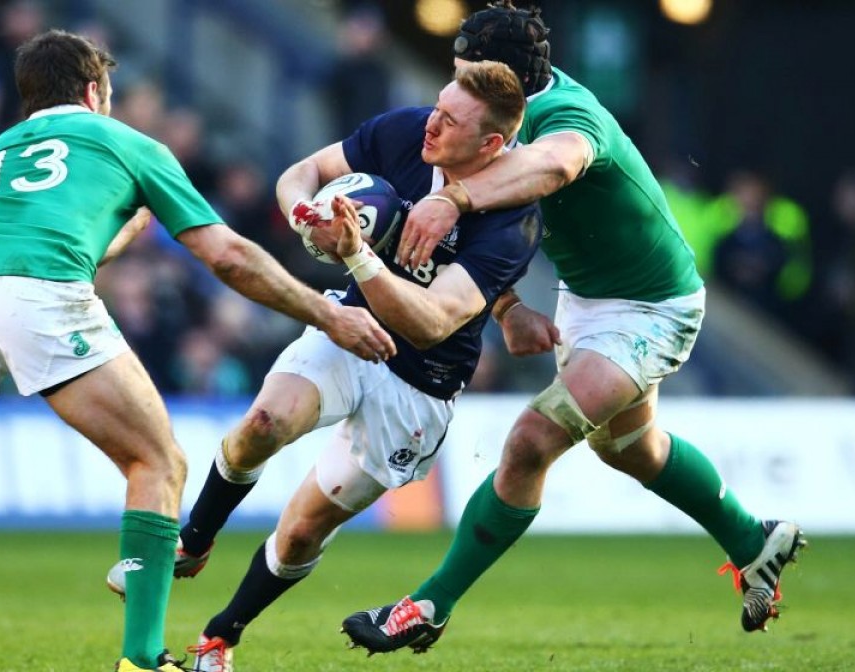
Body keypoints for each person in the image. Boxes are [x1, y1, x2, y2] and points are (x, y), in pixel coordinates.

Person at [0, 30, 395, 672]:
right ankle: (143, 659)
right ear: (92, 90)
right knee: (157, 461)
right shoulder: (128, 143)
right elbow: (227, 257)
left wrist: (122, 234)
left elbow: (50, 240)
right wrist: (326, 314)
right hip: (41, 296)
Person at [342, 1, 806, 655]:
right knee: (632, 449)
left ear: (500, 75)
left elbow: (556, 165)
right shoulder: (484, 120)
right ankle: (754, 541)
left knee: (531, 440)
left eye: (464, 70)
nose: (453, 83)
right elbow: (476, 238)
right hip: (585, 301)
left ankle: (428, 605)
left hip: (652, 305)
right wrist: (508, 308)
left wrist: (452, 196)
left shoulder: (568, 114)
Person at [109, 61, 540, 672]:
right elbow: (302, 173)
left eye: (451, 120)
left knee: (303, 531)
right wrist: (305, 215)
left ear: (492, 144)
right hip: (349, 327)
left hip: (422, 382)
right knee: (264, 423)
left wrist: (359, 256)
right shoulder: (407, 131)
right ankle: (195, 539)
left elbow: (433, 321)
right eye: (438, 106)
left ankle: (220, 635)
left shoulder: (514, 219)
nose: (433, 123)